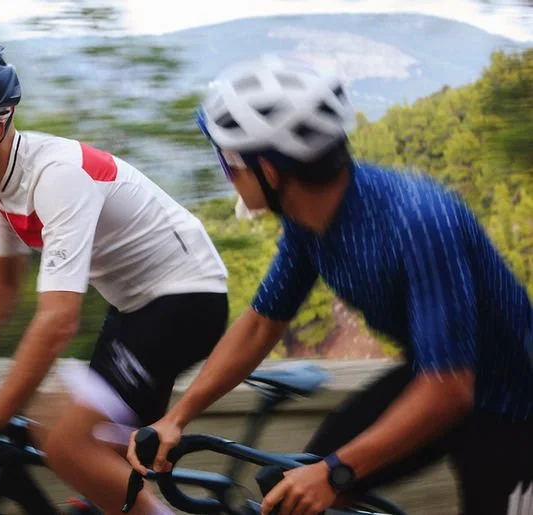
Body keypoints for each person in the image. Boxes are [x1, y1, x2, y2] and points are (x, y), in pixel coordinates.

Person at [126, 54, 533, 515]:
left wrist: (337, 471)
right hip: (433, 377)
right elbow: (261, 324)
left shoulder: (418, 221)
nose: (226, 175)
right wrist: (177, 417)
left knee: (328, 476)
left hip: (511, 408)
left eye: (229, 162)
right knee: (291, 492)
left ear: (270, 170)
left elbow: (450, 389)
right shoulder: (308, 222)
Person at [0, 45, 230, 515]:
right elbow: (2, 285)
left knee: (64, 441)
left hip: (186, 301)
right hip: (135, 308)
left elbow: (59, 321)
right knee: (79, 452)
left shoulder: (57, 177)